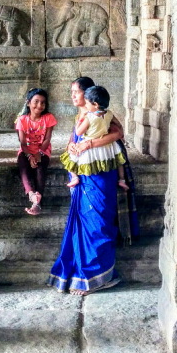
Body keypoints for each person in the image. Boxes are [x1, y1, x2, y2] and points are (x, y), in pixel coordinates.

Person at [47, 77, 138, 296]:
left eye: (76, 92)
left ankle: (96, 277)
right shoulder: (81, 116)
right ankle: (79, 275)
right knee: (84, 224)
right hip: (84, 175)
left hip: (101, 173)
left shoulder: (101, 113)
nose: (73, 96)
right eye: (72, 92)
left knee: (98, 223)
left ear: (89, 95)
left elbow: (118, 134)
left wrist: (89, 143)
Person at [62, 85, 129, 191]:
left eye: (87, 102)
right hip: (108, 147)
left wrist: (81, 119)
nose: (73, 95)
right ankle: (122, 180)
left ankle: (74, 178)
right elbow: (119, 125)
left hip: (89, 148)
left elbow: (78, 132)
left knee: (70, 159)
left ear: (96, 104)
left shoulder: (89, 117)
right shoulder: (109, 114)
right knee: (119, 161)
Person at [15, 88, 57, 216]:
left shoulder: (49, 118)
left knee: (40, 168)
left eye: (43, 102)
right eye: (36, 101)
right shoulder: (22, 120)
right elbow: (22, 143)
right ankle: (32, 194)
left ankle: (37, 203)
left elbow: (47, 139)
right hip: (26, 150)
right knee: (23, 166)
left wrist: (38, 153)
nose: (39, 105)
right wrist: (29, 156)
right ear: (28, 103)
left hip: (43, 150)